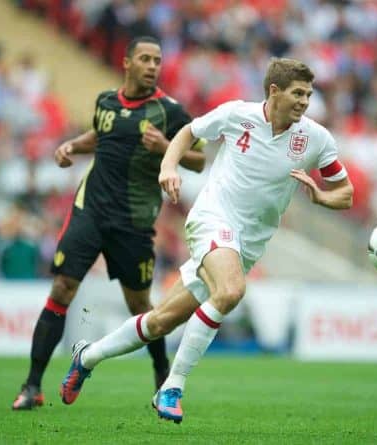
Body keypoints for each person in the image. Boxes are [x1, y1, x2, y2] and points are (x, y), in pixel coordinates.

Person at [59, 58, 354, 423]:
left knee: (160, 322)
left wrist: (321, 197)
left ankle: (86, 357)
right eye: (298, 93)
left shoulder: (315, 138)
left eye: (308, 94)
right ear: (274, 91)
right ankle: (173, 386)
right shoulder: (237, 114)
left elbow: (345, 192)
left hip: (248, 243)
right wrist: (168, 167)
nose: (304, 101)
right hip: (212, 217)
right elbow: (188, 133)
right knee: (230, 291)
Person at [12, 36, 206, 410]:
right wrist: (72, 145)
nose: (153, 66)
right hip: (90, 210)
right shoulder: (105, 101)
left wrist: (167, 148)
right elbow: (101, 136)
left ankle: (161, 375)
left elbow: (198, 159)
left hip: (133, 222)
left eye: (158, 60)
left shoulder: (169, 111)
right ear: (127, 62)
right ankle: (32, 386)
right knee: (62, 288)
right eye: (145, 59)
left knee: (142, 307)